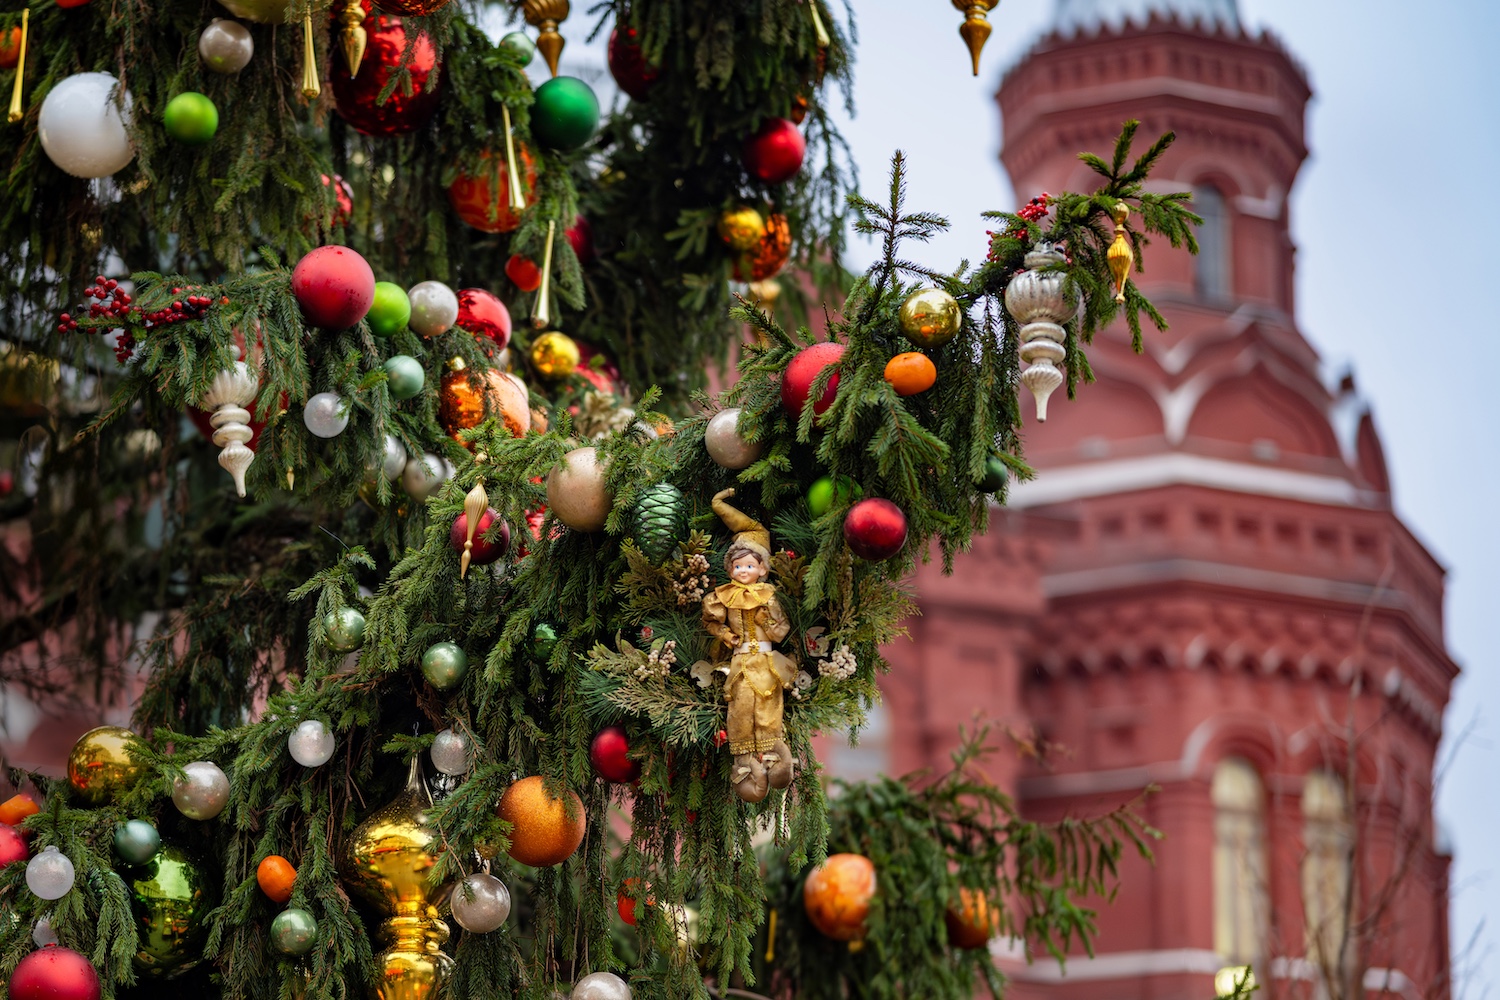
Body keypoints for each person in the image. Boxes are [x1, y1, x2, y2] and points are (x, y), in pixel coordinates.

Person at [701, 488, 796, 803]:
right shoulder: (723, 596)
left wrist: (768, 623)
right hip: (740, 662)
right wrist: (726, 636)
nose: (743, 572)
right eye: (738, 567)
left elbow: (781, 631)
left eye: (749, 566)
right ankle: (744, 762)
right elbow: (711, 623)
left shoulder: (769, 596)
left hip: (767, 663)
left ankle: (776, 753)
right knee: (740, 707)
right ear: (731, 569)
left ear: (762, 569)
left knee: (768, 704)